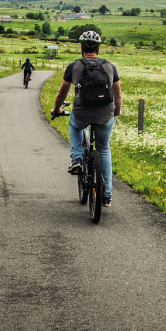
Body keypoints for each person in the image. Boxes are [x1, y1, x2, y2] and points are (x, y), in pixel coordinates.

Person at [49, 30, 121, 207]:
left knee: (75, 125)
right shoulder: (110, 67)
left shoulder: (74, 66)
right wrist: (116, 112)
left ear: (81, 48)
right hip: (105, 114)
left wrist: (56, 109)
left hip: (81, 113)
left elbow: (61, 93)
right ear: (98, 48)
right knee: (103, 148)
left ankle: (77, 160)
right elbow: (117, 95)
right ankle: (106, 195)